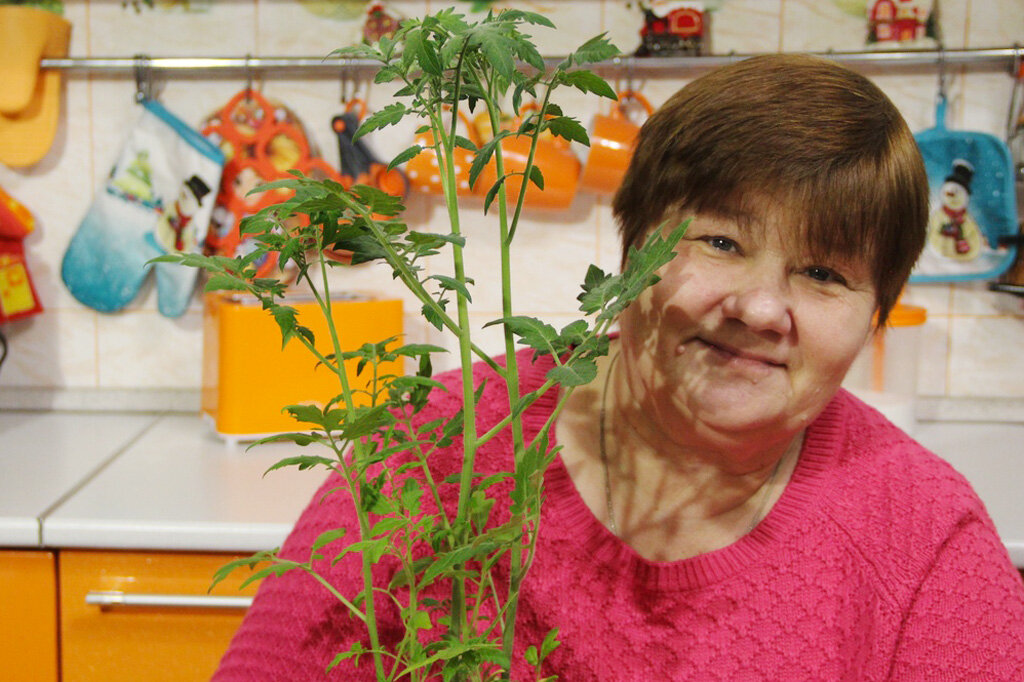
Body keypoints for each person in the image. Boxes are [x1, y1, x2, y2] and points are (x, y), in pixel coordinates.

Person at [213, 54, 1024, 680]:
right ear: (634, 245)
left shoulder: (922, 542)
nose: (759, 308)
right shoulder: (438, 447)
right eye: (721, 242)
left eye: (823, 274)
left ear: (875, 314)